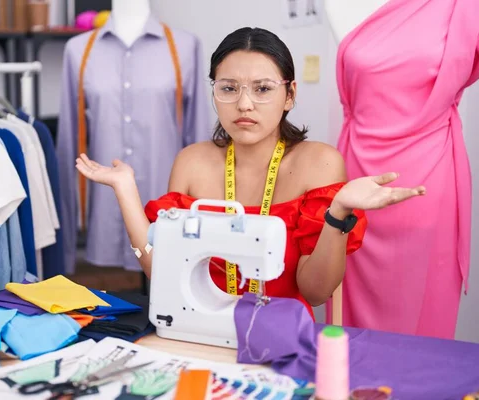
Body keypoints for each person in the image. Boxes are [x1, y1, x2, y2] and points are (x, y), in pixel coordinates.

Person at [75, 27, 425, 318]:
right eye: (228, 88)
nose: (244, 104)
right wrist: (126, 192)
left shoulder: (318, 162)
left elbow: (316, 292)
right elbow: (162, 272)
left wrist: (337, 215)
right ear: (214, 93)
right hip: (200, 333)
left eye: (262, 89)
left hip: (280, 339)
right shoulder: (191, 162)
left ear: (289, 95)